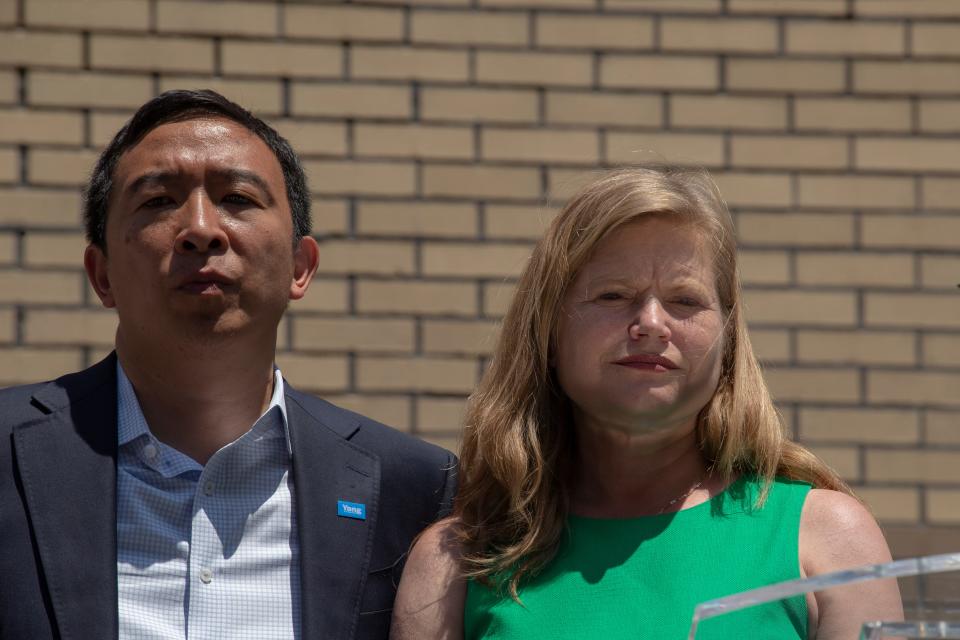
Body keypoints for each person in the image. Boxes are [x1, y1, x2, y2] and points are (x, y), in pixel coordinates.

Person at [0, 89, 456, 640]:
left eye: (237, 197)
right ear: (102, 276)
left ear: (300, 266)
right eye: (158, 201)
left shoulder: (413, 487)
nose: (201, 228)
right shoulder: (8, 451)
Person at [391, 166, 902, 639]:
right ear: (547, 332)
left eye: (685, 301)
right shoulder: (456, 562)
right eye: (613, 296)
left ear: (728, 341)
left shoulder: (827, 539)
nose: (652, 324)